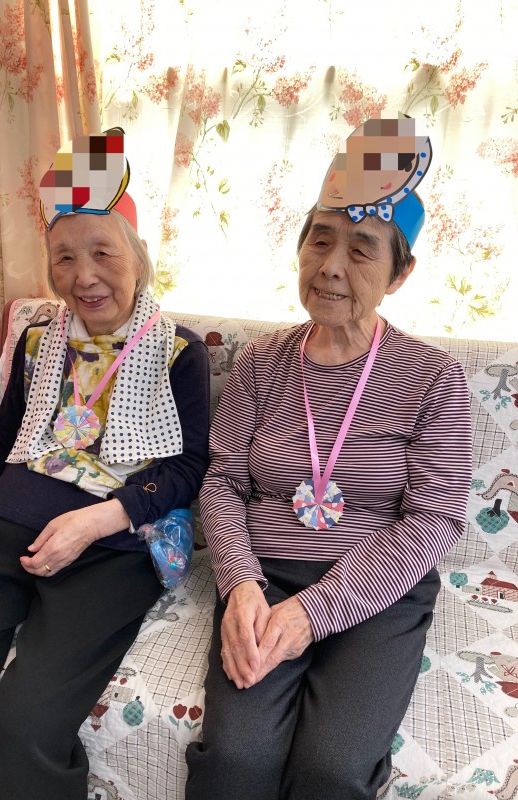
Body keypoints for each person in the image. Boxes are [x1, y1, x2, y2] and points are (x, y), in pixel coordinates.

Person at [0, 128, 210, 800]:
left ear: (138, 256)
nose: (84, 277)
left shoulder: (179, 351)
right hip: (6, 520)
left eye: (103, 252)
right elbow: (5, 442)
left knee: (27, 725)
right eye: (65, 258)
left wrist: (99, 520)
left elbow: (189, 467)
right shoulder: (35, 341)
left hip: (114, 542)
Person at [186, 115, 472, 800]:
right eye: (320, 239)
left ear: (400, 273)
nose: (332, 266)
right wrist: (241, 585)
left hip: (379, 593)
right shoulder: (262, 362)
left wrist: (315, 613)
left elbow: (434, 521)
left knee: (333, 772)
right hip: (265, 580)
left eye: (362, 249)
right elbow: (223, 482)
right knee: (234, 759)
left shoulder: (433, 377)